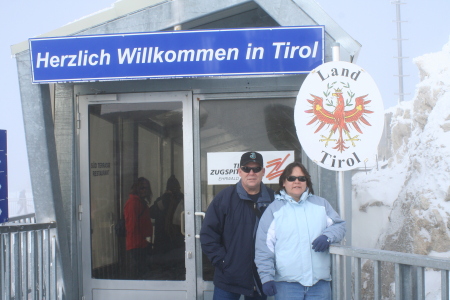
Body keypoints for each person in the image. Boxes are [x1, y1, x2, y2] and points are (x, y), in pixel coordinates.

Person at [255, 162, 346, 300]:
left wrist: (327, 236)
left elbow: (339, 226)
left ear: (307, 183)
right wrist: (266, 277)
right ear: (284, 183)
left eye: (301, 178)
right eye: (291, 178)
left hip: (319, 285)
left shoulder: (321, 204)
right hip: (287, 286)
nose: (297, 181)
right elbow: (263, 248)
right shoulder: (274, 210)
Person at [200, 151, 275, 300]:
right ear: (239, 171)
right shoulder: (224, 198)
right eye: (247, 169)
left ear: (263, 172)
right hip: (228, 278)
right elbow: (208, 234)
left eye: (256, 169)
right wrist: (223, 262)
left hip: (260, 278)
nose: (251, 173)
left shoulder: (274, 200)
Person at [124, 177, 153, 279]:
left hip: (141, 244)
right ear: (136, 189)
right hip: (136, 245)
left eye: (146, 188)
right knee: (139, 274)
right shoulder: (133, 203)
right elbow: (131, 226)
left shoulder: (140, 202)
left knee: (142, 273)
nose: (144, 190)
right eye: (142, 188)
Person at [150, 175, 184, 254]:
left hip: (172, 236)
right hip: (168, 237)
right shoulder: (165, 199)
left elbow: (152, 213)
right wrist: (165, 198)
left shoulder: (182, 200)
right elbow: (152, 213)